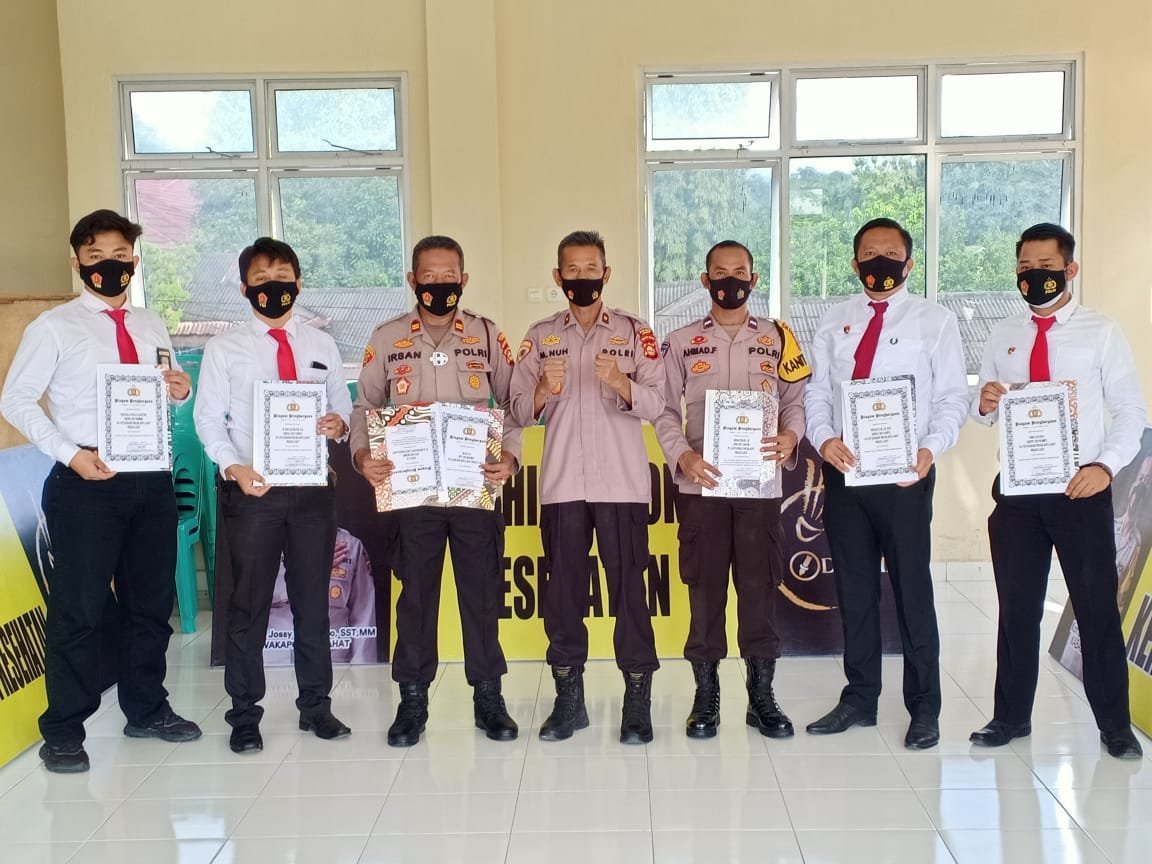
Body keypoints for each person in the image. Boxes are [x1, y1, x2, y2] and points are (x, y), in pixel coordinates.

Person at [0, 209, 201, 773]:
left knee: (149, 605)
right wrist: (71, 454)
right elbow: (15, 399)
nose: (109, 266)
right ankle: (64, 728)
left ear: (133, 261)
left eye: (119, 256)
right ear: (77, 263)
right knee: (80, 610)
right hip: (86, 482)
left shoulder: (151, 322)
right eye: (95, 257)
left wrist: (180, 391)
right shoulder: (55, 327)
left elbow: (165, 390)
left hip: (151, 479)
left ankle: (146, 709)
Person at [969, 223, 1146, 760]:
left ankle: (1114, 726)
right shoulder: (1004, 332)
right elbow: (983, 409)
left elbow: (1130, 410)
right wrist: (985, 401)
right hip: (1017, 495)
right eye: (1025, 267)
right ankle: (1010, 717)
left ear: (1070, 269)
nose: (1034, 275)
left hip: (1080, 491)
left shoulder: (1100, 331)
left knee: (1096, 611)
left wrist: (1106, 467)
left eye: (1046, 266)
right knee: (1016, 610)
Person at [804, 217, 968, 750]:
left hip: (905, 478)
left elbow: (952, 397)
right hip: (846, 474)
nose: (881, 263)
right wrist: (824, 439)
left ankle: (924, 707)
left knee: (912, 591)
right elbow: (817, 393)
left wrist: (930, 449)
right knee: (854, 591)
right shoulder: (834, 320)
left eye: (891, 254)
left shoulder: (934, 321)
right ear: (855, 264)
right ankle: (860, 697)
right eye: (870, 254)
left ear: (909, 263)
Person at [350, 235, 521, 747]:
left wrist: (511, 456)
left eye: (449, 276)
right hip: (413, 495)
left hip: (474, 488)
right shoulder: (387, 338)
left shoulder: (487, 335)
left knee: (482, 596)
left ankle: (488, 698)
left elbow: (514, 402)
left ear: (463, 280)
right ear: (413, 280)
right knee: (417, 599)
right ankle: (412, 700)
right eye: (430, 276)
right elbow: (364, 408)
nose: (440, 284)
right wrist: (362, 457)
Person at [194, 237, 353, 755]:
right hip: (253, 492)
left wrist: (338, 423)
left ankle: (316, 706)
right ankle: (244, 714)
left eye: (282, 277)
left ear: (298, 283)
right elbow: (207, 418)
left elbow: (342, 407)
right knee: (249, 604)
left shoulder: (322, 345)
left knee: (313, 602)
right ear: (245, 289)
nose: (273, 287)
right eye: (261, 280)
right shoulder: (225, 348)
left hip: (312, 494)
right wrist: (233, 466)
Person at [509, 230, 666, 744]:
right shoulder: (540, 336)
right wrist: (540, 390)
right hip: (562, 487)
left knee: (630, 595)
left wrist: (621, 383)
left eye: (591, 268)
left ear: (606, 273)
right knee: (562, 596)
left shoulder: (635, 333)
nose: (582, 277)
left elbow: (658, 405)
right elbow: (515, 411)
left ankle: (637, 701)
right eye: (572, 270)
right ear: (558, 277)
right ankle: (568, 700)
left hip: (621, 486)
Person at [654, 240, 810, 739]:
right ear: (705, 281)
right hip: (701, 486)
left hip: (759, 487)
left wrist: (792, 435)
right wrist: (682, 455)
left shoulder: (779, 338)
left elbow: (795, 400)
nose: (730, 280)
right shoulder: (680, 341)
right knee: (704, 591)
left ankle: (761, 696)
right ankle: (706, 694)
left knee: (758, 588)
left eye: (739, 271)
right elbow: (662, 409)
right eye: (720, 272)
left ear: (754, 279)